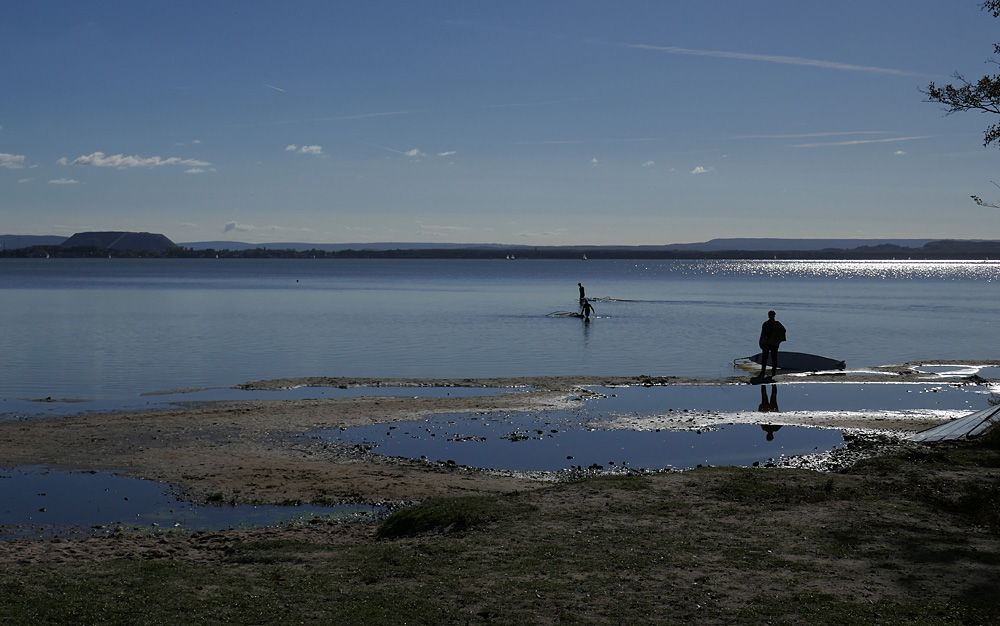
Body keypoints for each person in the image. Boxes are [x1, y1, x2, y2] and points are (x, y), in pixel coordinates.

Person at [758, 310, 786, 378]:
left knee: (774, 358)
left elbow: (783, 331)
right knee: (764, 358)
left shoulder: (777, 324)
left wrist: (778, 340)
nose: (770, 316)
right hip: (766, 343)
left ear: (774, 315)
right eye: (769, 315)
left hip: (774, 344)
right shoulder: (766, 324)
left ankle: (773, 373)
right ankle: (763, 372)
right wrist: (761, 342)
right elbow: (762, 334)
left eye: (771, 315)